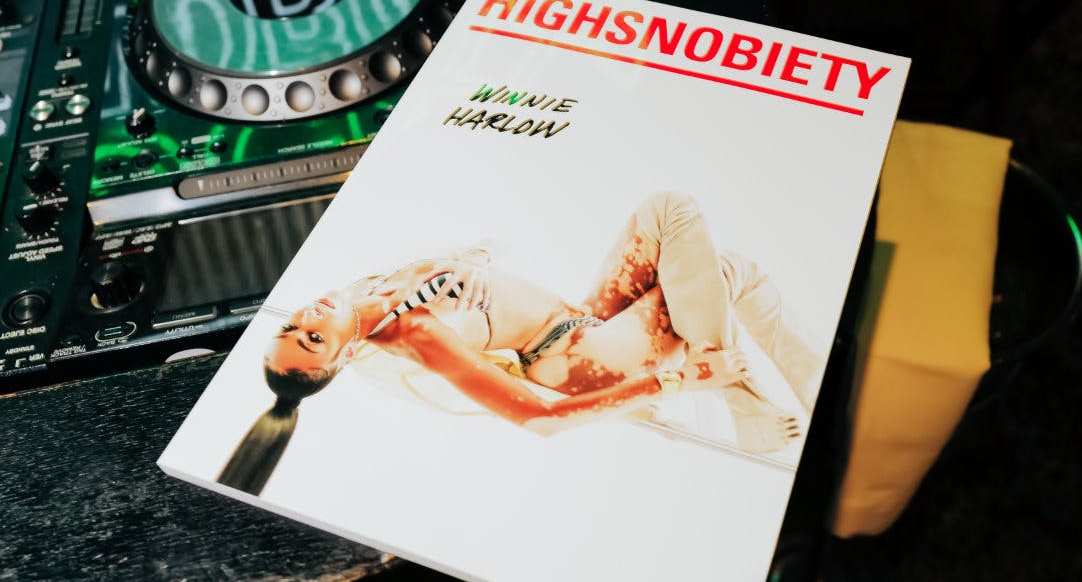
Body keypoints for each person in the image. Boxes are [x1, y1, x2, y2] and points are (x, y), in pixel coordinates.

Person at [218, 191, 824, 494]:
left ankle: (800, 395)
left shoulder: (359, 292)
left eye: (290, 327)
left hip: (583, 317)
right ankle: (746, 397)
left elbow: (478, 258)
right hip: (574, 361)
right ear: (344, 356)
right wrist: (673, 381)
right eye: (314, 339)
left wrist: (473, 258)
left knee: (670, 211)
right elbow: (540, 420)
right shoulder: (411, 334)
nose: (308, 318)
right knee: (724, 271)